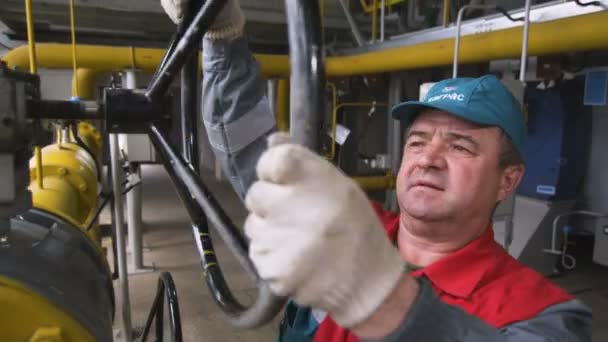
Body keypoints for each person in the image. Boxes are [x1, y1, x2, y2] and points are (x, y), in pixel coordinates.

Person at [161, 1, 593, 341]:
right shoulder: (343, 231)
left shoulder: (541, 312)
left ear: (509, 180)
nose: (428, 157)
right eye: (417, 141)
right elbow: (250, 150)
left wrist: (384, 301)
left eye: (460, 145)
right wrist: (221, 39)